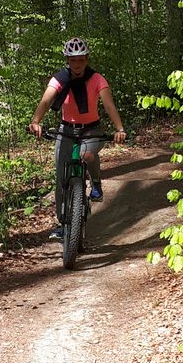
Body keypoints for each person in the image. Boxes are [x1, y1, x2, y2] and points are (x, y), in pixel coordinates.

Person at [29, 37, 126, 239]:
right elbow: (46, 100)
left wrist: (119, 128)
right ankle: (64, 224)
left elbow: (108, 105)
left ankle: (96, 183)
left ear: (87, 59)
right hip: (67, 130)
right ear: (67, 60)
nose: (77, 64)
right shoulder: (59, 79)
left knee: (87, 154)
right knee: (61, 176)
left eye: (81, 60)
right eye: (73, 60)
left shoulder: (97, 79)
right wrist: (36, 121)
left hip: (91, 129)